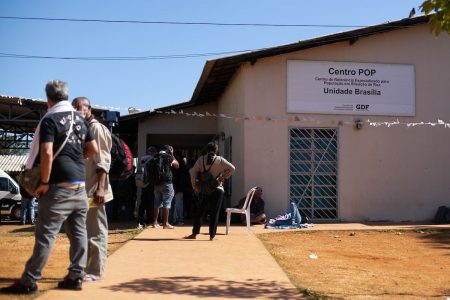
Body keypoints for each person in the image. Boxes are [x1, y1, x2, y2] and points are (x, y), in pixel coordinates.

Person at [1, 80, 98, 294]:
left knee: (46, 236)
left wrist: (44, 181)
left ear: (48, 99)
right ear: (66, 96)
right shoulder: (81, 120)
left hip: (57, 188)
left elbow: (46, 153)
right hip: (79, 187)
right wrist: (77, 159)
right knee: (79, 234)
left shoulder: (50, 119)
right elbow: (93, 148)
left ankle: (29, 281)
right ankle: (75, 277)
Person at [72, 96, 113, 282]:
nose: (78, 110)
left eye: (82, 107)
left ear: (90, 110)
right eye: (75, 107)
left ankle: (95, 271)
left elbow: (103, 162)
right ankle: (85, 268)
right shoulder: (83, 129)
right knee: (83, 232)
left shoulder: (96, 128)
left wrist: (101, 189)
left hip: (94, 189)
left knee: (96, 232)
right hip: (83, 189)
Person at [186, 142, 235, 241]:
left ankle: (194, 233)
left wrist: (195, 186)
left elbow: (192, 172)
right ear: (216, 150)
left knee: (200, 211)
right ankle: (212, 235)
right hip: (217, 189)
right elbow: (232, 168)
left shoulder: (201, 160)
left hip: (204, 190)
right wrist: (223, 176)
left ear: (206, 150)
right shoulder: (220, 160)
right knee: (214, 212)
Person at [151, 145, 179, 229]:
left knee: (157, 203)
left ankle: (155, 222)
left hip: (156, 183)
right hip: (166, 183)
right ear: (167, 150)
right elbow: (177, 165)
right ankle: (165, 223)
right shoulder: (168, 156)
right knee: (167, 203)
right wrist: (172, 154)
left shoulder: (155, 157)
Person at [137, 146, 158, 228]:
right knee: (150, 202)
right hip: (150, 183)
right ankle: (150, 220)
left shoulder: (142, 159)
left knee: (143, 202)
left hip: (142, 182)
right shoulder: (153, 159)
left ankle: (140, 220)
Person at [170, 151, 190, 225]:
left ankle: (173, 220)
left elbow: (180, 178)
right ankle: (179, 220)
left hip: (176, 187)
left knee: (173, 204)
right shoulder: (183, 166)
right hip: (178, 188)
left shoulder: (175, 166)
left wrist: (177, 188)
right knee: (179, 205)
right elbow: (184, 178)